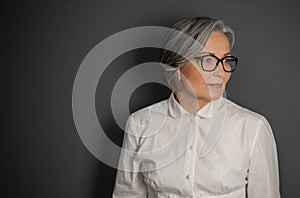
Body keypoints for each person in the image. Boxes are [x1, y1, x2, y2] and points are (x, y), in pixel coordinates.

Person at [112, 16, 281, 198]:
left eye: (225, 60)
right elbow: (127, 195)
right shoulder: (140, 124)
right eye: (207, 60)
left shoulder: (253, 128)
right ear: (177, 67)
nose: (220, 71)